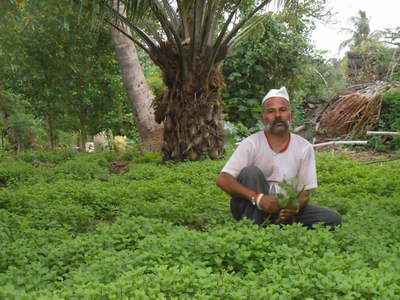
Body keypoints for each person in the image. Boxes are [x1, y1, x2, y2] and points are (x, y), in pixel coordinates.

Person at [216, 87, 342, 229]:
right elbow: (223, 179)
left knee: (333, 219)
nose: (277, 115)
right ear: (263, 119)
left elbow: (304, 191)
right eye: (271, 111)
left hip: (282, 209)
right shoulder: (251, 143)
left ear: (291, 115)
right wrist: (258, 198)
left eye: (282, 110)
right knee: (250, 172)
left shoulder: (304, 147)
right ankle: (255, 230)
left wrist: (295, 206)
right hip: (253, 206)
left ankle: (277, 225)